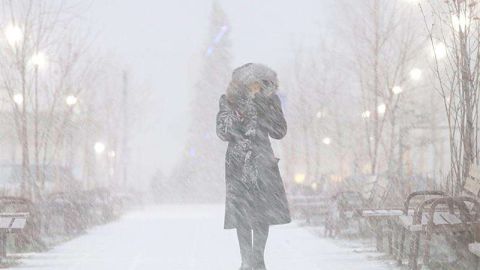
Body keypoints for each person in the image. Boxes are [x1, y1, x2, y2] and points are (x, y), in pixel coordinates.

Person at [216, 63, 291, 270]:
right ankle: (246, 261)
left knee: (261, 214)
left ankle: (258, 260)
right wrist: (240, 113)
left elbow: (279, 131)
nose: (256, 86)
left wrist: (265, 107)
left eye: (260, 83)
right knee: (241, 216)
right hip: (238, 164)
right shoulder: (229, 101)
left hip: (263, 164)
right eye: (252, 83)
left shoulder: (270, 101)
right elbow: (222, 131)